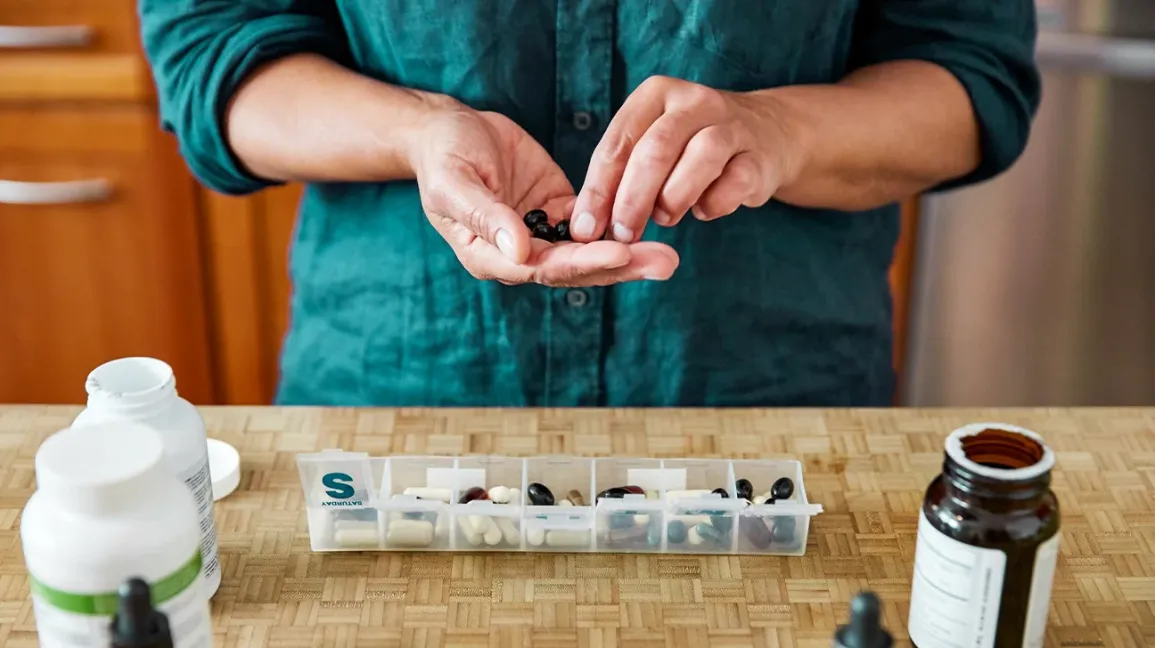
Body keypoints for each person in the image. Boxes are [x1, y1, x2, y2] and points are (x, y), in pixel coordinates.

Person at [139, 1, 1040, 407]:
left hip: (770, 401)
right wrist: (416, 133)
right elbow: (212, 55)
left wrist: (783, 130)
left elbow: (972, 76)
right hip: (395, 398)